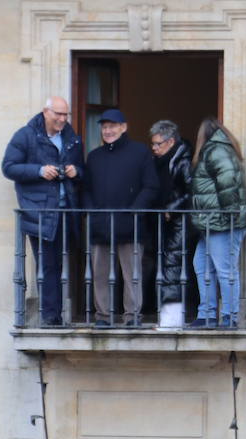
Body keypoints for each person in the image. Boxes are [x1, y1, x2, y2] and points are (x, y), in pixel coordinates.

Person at [2, 96, 84, 326]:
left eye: (65, 114)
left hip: (66, 210)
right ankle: (51, 317)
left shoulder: (72, 138)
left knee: (60, 265)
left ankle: (56, 314)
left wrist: (75, 171)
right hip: (39, 212)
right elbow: (8, 167)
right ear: (45, 112)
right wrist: (39, 171)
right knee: (47, 264)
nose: (62, 119)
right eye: (58, 114)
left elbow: (83, 172)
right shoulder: (26, 135)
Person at [82, 108, 161, 328]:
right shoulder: (94, 156)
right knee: (100, 274)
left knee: (132, 275)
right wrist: (92, 211)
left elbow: (151, 186)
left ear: (123, 127)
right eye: (104, 127)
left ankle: (132, 317)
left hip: (131, 224)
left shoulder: (140, 152)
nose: (108, 131)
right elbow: (85, 189)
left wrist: (135, 210)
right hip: (101, 224)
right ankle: (103, 317)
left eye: (112, 126)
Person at [188, 117, 246, 329]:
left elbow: (228, 185)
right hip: (213, 222)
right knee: (201, 264)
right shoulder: (218, 150)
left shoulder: (216, 150)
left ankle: (229, 317)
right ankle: (207, 314)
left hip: (223, 222)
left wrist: (232, 218)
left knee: (225, 270)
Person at [149, 120, 194, 319]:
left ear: (171, 141)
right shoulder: (159, 161)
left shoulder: (183, 160)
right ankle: (164, 314)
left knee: (173, 269)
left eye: (158, 144)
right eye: (153, 144)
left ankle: (172, 318)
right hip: (163, 224)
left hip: (178, 224)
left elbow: (192, 192)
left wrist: (171, 210)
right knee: (164, 268)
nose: (154, 148)